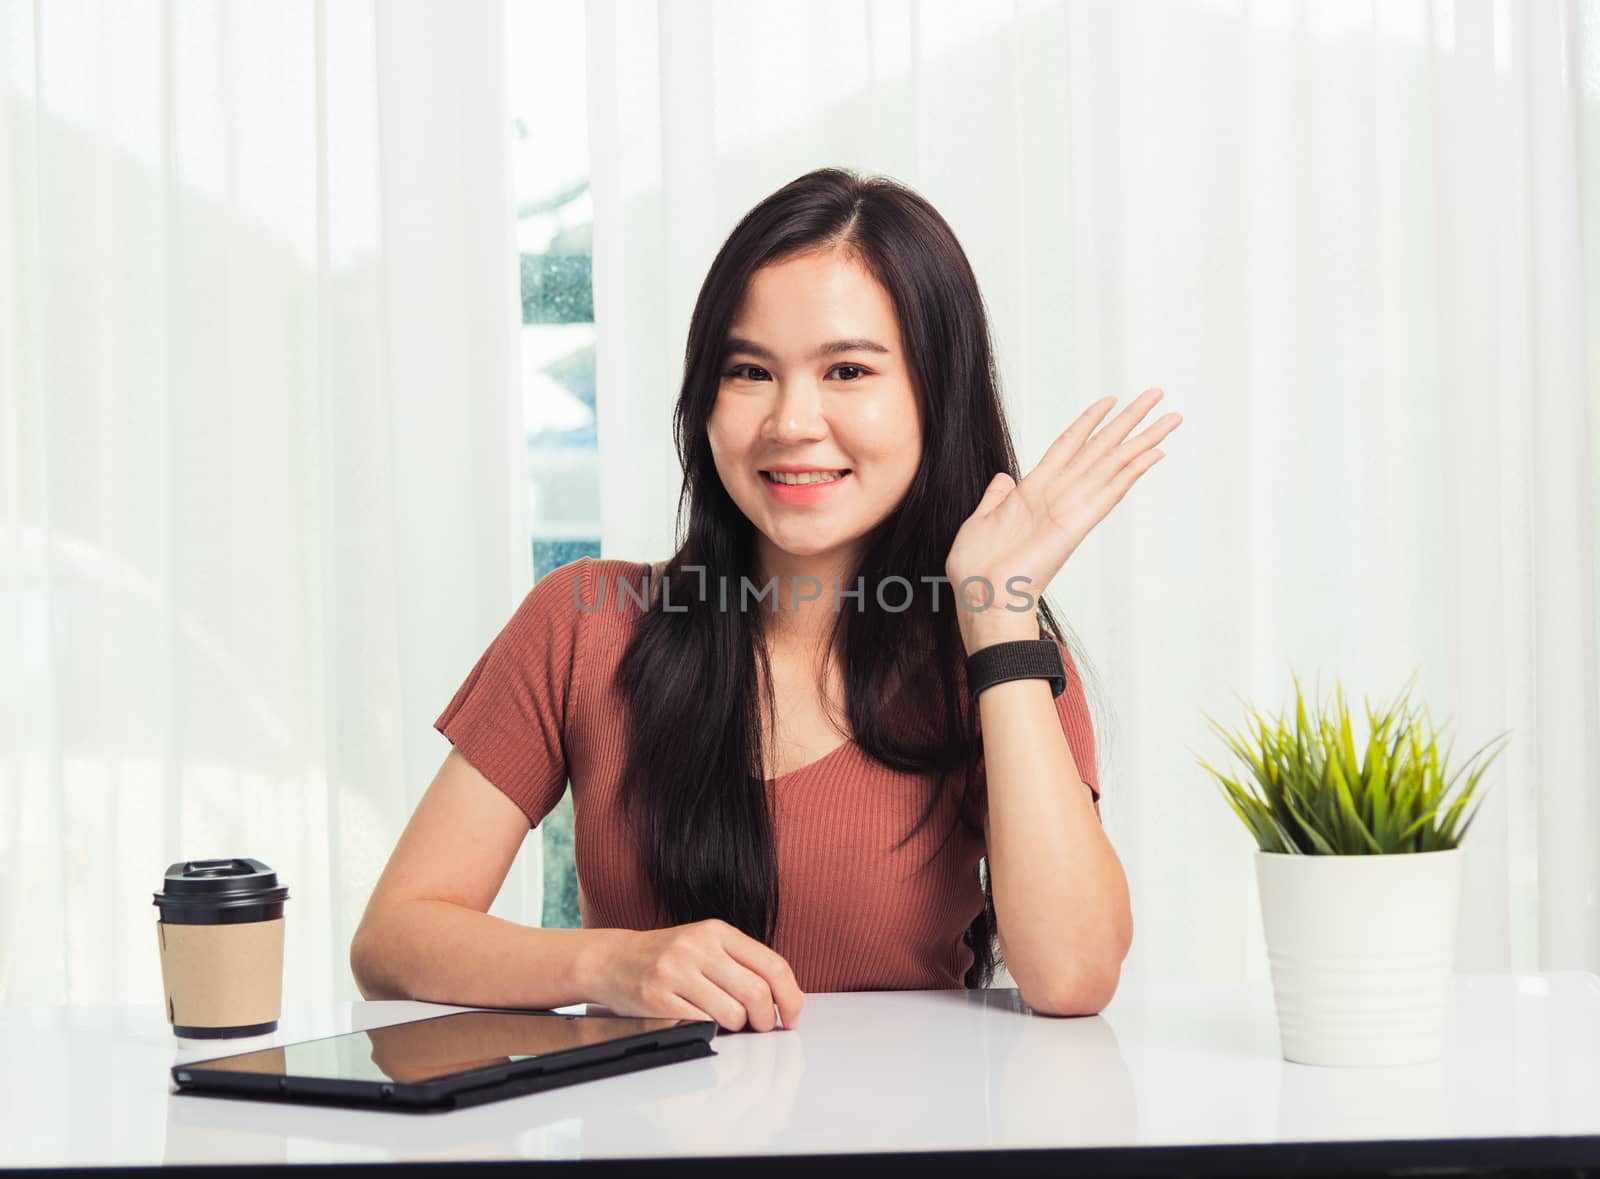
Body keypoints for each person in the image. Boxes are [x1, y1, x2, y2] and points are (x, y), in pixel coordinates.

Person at [350, 166, 1178, 1033]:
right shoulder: (583, 621)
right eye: (750, 371)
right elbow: (393, 941)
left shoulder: (994, 646)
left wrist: (1000, 614)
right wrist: (610, 963)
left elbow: (1074, 974)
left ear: (938, 396)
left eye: (849, 370)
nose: (790, 421)